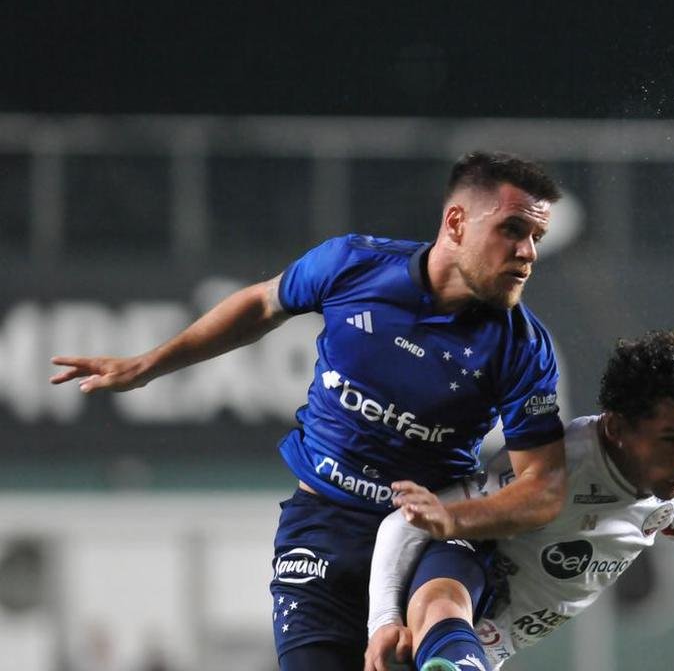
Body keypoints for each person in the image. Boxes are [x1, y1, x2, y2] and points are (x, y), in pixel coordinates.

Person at [49, 152, 570, 671]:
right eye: (512, 230)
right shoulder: (353, 265)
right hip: (323, 527)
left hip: (428, 530)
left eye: (535, 239)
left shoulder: (521, 346)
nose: (527, 253)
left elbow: (543, 485)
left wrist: (452, 517)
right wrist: (150, 364)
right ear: (455, 222)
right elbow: (261, 303)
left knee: (440, 617)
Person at [365, 330, 674, 671]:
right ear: (617, 428)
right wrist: (383, 621)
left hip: (494, 640)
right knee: (449, 580)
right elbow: (407, 525)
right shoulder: (555, 465)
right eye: (671, 440)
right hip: (456, 589)